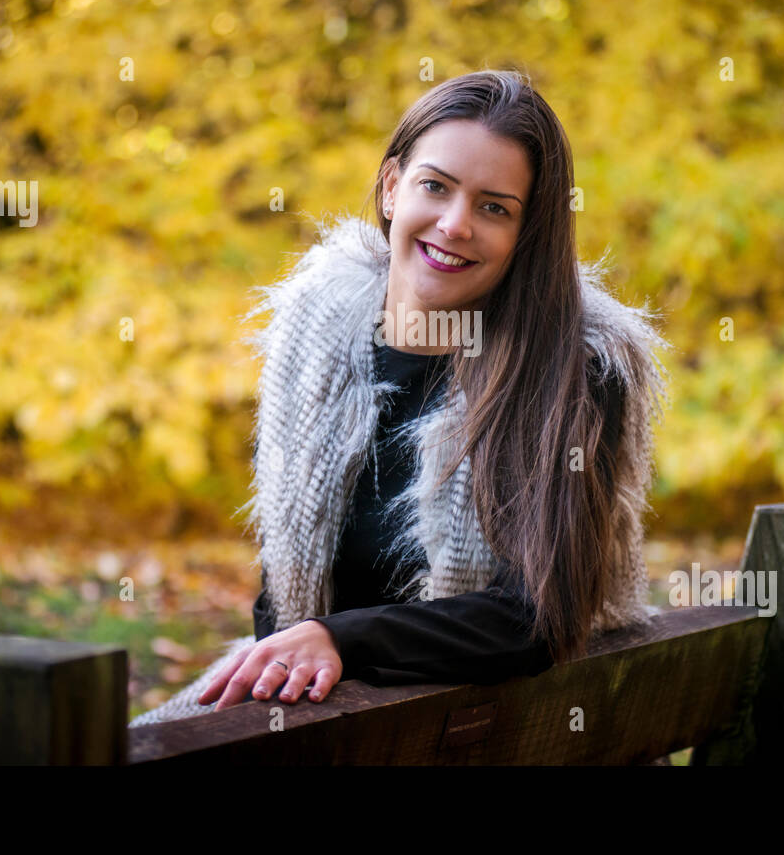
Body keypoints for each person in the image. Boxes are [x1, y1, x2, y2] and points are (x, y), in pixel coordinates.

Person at [128, 69, 669, 727]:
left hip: (481, 729)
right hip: (320, 712)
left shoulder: (574, 371)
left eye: (494, 207)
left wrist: (342, 639)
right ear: (391, 187)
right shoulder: (318, 330)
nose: (455, 223)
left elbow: (536, 617)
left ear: (526, 234)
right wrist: (301, 654)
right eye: (435, 187)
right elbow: (284, 588)